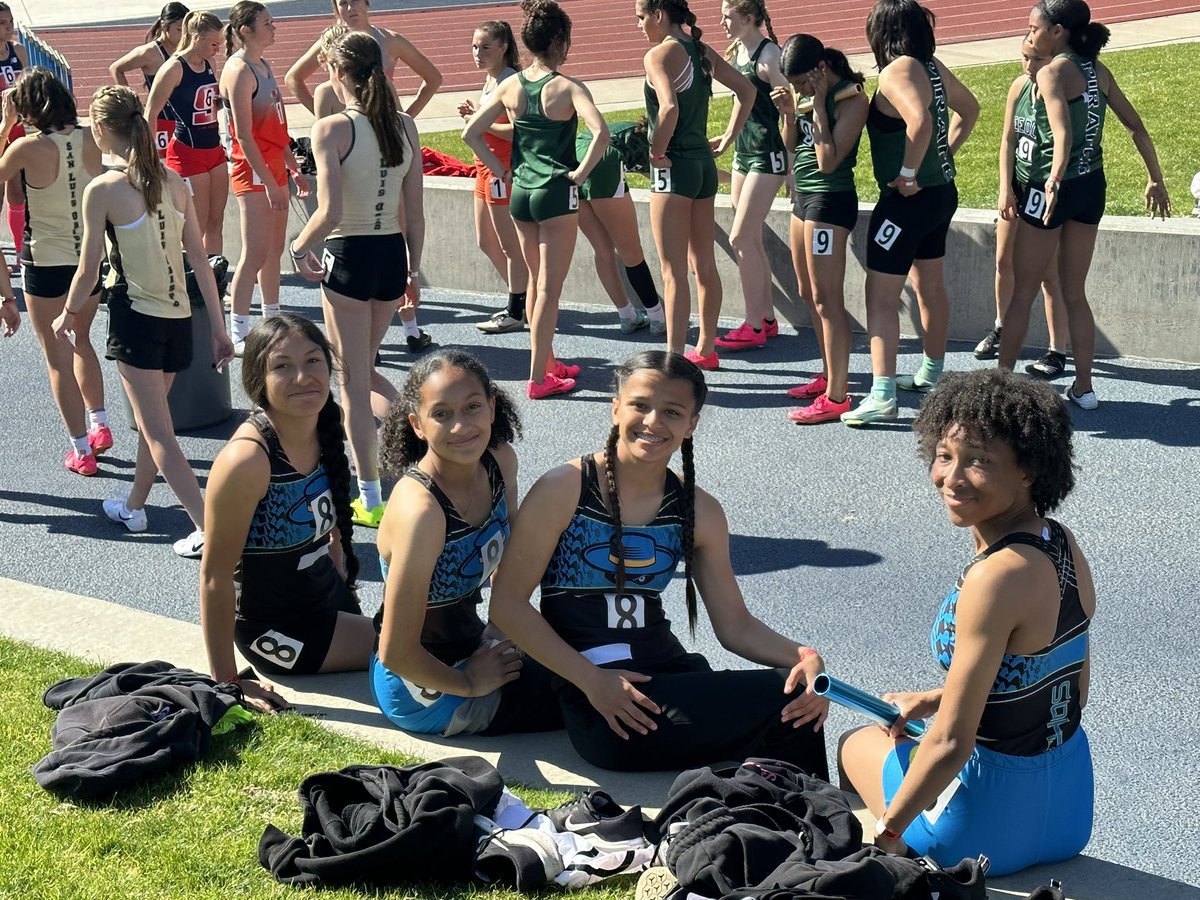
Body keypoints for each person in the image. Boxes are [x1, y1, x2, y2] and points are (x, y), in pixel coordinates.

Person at [489, 350, 830, 774]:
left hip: (670, 677)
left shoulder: (699, 509)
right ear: (615, 408)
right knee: (779, 701)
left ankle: (795, 815)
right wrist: (592, 681)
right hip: (603, 702)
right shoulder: (565, 488)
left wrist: (803, 656)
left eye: (671, 412)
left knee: (799, 692)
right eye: (640, 405)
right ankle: (810, 816)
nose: (652, 422)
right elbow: (507, 605)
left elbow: (735, 626)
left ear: (691, 425)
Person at [840, 368, 1095, 877]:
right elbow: (1069, 688)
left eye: (979, 461)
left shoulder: (994, 577)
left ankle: (904, 860)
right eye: (944, 455)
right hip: (1069, 808)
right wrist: (934, 699)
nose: (952, 479)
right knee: (905, 735)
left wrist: (886, 834)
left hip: (983, 831)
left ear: (1028, 470)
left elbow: (952, 745)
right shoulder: (1061, 542)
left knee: (856, 745)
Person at [50, 86, 234, 557]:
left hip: (136, 319)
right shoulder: (174, 181)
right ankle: (135, 506)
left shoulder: (105, 189)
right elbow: (200, 256)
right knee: (156, 424)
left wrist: (68, 314)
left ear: (104, 130)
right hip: (176, 321)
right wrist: (218, 327)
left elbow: (89, 268)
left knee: (158, 434)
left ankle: (210, 530)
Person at [371, 349, 563, 736]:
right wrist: (472, 682)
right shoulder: (420, 511)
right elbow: (396, 652)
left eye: (472, 406)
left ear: (492, 408)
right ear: (417, 425)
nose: (461, 426)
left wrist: (500, 627)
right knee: (582, 695)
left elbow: (509, 560)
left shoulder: (499, 461)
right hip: (425, 687)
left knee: (587, 660)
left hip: (474, 646)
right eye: (441, 414)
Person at [997, 0, 1170, 409]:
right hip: (1092, 187)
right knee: (1075, 291)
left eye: (1034, 28)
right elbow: (1136, 127)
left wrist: (1055, 177)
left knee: (1023, 292)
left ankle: (998, 386)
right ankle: (1084, 387)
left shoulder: (1053, 72)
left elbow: (1062, 136)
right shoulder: (1097, 71)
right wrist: (1155, 178)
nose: (1029, 35)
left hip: (1051, 190)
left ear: (1059, 31)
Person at [200, 314, 373, 713]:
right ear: (258, 381)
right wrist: (227, 681)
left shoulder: (324, 426)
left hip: (323, 600)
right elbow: (214, 575)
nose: (303, 377)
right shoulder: (247, 461)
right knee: (420, 647)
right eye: (282, 366)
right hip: (278, 632)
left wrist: (340, 571)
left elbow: (327, 528)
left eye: (313, 361)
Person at [289, 31, 424, 529]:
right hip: (390, 255)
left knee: (352, 382)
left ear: (337, 73)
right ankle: (418, 443)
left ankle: (369, 495)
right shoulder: (405, 125)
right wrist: (413, 269)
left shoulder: (331, 129)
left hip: (348, 254)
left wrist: (297, 247)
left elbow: (329, 212)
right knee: (363, 369)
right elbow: (416, 212)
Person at [463, 0, 610, 400]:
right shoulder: (569, 87)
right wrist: (579, 175)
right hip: (556, 193)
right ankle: (539, 378)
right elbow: (602, 133)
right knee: (548, 289)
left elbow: (471, 134)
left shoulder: (510, 85)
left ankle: (547, 362)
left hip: (522, 193)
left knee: (533, 285)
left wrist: (501, 170)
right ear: (560, 41)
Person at [841, 0, 978, 427]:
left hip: (906, 202)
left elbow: (920, 122)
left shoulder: (897, 70)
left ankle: (881, 393)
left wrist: (907, 174)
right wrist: (941, 159)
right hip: (940, 195)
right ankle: (932, 375)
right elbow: (969, 110)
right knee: (929, 287)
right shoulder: (930, 65)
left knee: (880, 298)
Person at [0, 70, 109, 475]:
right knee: (82, 340)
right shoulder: (91, 137)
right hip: (89, 259)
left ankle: (81, 450)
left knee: (57, 356)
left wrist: (5, 125)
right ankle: (100, 424)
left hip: (45, 262)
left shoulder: (26, 147)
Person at [638, 0, 755, 369]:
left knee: (673, 271)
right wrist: (727, 137)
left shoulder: (658, 55)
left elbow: (668, 108)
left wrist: (657, 151)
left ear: (658, 14)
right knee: (703, 262)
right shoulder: (700, 49)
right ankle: (705, 347)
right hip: (703, 166)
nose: (639, 25)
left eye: (641, 17)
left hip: (675, 168)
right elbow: (747, 91)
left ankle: (672, 360)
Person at [773, 34, 868, 424]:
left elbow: (829, 161)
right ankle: (829, 373)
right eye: (794, 85)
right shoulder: (808, 95)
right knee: (808, 293)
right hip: (803, 199)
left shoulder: (852, 98)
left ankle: (838, 395)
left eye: (802, 83)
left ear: (821, 69)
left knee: (828, 298)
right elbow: (791, 147)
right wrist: (789, 114)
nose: (799, 90)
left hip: (830, 201)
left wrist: (820, 110)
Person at [220, 1, 310, 354]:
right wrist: (270, 183)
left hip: (273, 165)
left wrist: (292, 167)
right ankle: (238, 329)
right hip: (252, 169)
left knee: (273, 250)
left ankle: (272, 317)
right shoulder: (239, 70)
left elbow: (276, 126)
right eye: (267, 23)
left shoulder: (263, 64)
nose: (274, 28)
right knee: (255, 252)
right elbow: (243, 135)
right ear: (246, 30)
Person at [981, 39, 1068, 378]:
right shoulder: (1018, 86)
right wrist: (1005, 188)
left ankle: (1057, 350)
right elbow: (1007, 140)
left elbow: (1063, 139)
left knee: (1048, 273)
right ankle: (1002, 327)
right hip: (1017, 184)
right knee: (1003, 260)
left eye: (1037, 59)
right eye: (1025, 58)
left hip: (1042, 188)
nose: (1029, 66)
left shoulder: (1055, 91)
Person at [711, 0, 788, 355]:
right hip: (744, 153)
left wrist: (791, 165)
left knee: (741, 237)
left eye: (727, 16)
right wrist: (728, 137)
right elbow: (743, 105)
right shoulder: (737, 50)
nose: (721, 21)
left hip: (768, 155)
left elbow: (792, 110)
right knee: (750, 239)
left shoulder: (769, 56)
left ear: (748, 17)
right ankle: (767, 318)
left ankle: (753, 324)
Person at [457, 20, 530, 335]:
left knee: (509, 245)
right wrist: (475, 115)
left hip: (500, 169)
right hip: (482, 168)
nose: (478, 53)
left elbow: (518, 130)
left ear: (503, 47)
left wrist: (478, 123)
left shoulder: (510, 79)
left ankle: (518, 309)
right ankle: (522, 299)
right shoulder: (490, 81)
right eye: (474, 46)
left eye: (485, 47)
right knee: (485, 241)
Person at [145, 10, 228, 256]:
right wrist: (149, 156)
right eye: (213, 44)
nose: (217, 50)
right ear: (196, 37)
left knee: (216, 221)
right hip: (187, 152)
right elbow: (151, 113)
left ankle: (216, 280)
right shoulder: (173, 68)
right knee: (196, 226)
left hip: (214, 149)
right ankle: (189, 284)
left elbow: (208, 103)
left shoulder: (209, 63)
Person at [575, 119, 667, 334]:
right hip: (603, 157)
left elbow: (650, 172)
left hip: (574, 155)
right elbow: (661, 172)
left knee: (602, 249)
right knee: (630, 251)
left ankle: (627, 315)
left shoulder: (634, 130)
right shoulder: (656, 141)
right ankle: (657, 317)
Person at [284, 0, 443, 117]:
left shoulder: (390, 41)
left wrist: (407, 117)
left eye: (355, 1)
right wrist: (322, 113)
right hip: (345, 129)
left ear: (366, 3)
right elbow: (293, 78)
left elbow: (434, 78)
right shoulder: (330, 42)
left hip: (382, 123)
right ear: (337, 9)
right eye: (343, 3)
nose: (350, 8)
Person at [108, 2, 190, 160]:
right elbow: (116, 68)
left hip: (185, 122)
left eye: (186, 31)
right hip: (160, 123)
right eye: (179, 30)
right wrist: (131, 102)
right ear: (164, 25)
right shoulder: (150, 52)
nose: (182, 35)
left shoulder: (186, 49)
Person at [0, 2, 28, 263]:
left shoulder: (17, 50)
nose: (9, 28)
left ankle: (20, 251)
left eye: (10, 22)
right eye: (2, 23)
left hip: (18, 129)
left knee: (17, 189)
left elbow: (27, 86)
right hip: (0, 129)